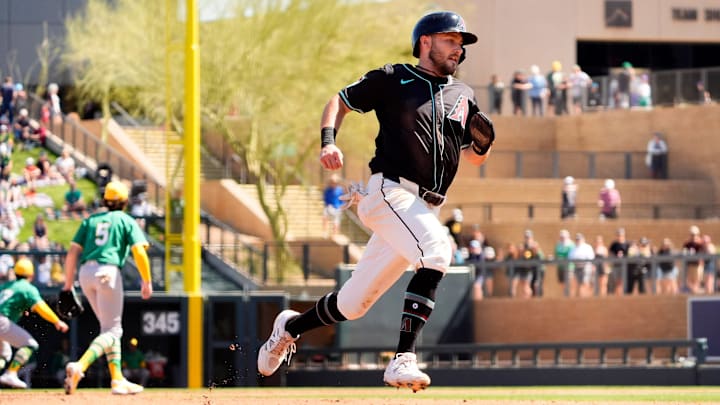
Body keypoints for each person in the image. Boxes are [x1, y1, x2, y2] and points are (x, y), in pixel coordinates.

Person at [256, 10, 490, 392]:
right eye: (450, 39)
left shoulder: (462, 95)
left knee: (353, 304)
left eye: (461, 43)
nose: (458, 48)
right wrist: (328, 141)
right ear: (425, 42)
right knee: (437, 252)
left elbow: (475, 156)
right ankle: (403, 360)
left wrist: (484, 144)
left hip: (426, 207)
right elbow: (340, 100)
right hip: (390, 193)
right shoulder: (394, 77)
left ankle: (289, 327)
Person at [62, 181, 153, 395]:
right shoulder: (125, 219)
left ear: (104, 200)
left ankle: (117, 379)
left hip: (85, 274)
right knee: (113, 330)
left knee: (109, 329)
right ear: (124, 202)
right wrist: (146, 280)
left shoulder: (90, 220)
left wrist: (67, 284)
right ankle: (80, 367)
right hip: (108, 273)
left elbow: (72, 253)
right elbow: (139, 251)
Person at [0, 258, 69, 388]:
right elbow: (41, 307)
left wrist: (20, 308)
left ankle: (9, 372)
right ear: (31, 274)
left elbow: (8, 303)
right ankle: (11, 373)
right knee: (30, 345)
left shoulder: (6, 286)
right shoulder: (27, 288)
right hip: (2, 321)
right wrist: (57, 321)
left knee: (4, 354)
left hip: (2, 319)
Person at [569, 233, 595, 297]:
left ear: (583, 239)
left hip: (586, 267)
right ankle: (580, 297)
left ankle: (585, 297)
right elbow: (570, 257)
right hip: (576, 267)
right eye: (577, 239)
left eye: (579, 239)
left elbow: (591, 258)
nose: (578, 241)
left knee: (585, 283)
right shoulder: (573, 248)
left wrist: (591, 267)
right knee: (577, 283)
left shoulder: (587, 247)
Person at [682, 225, 704, 294]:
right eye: (692, 234)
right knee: (688, 281)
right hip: (689, 265)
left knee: (697, 281)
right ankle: (695, 292)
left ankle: (696, 293)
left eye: (694, 234)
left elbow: (703, 252)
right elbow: (684, 251)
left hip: (697, 265)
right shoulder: (687, 243)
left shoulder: (700, 243)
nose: (693, 236)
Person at [608, 227, 629, 295]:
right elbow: (610, 254)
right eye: (618, 235)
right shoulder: (614, 244)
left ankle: (621, 296)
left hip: (624, 266)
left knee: (622, 282)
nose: (620, 236)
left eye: (621, 235)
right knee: (617, 282)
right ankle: (618, 296)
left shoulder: (627, 244)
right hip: (616, 266)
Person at [554, 229, 575, 295]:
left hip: (569, 267)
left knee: (569, 283)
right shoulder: (558, 245)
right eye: (561, 237)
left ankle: (570, 297)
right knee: (562, 283)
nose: (562, 238)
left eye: (564, 237)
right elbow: (556, 255)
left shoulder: (571, 245)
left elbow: (572, 256)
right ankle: (564, 296)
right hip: (560, 267)